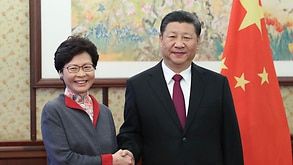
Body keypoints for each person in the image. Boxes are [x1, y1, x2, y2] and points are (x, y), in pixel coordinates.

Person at [117, 10, 244, 165]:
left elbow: (231, 139)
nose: (179, 44)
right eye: (172, 37)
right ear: (161, 39)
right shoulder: (138, 86)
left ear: (197, 41)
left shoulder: (218, 84)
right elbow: (132, 133)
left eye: (186, 38)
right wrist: (129, 152)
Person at [41, 36, 134, 165]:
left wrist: (124, 155)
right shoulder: (53, 110)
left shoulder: (104, 112)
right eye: (73, 68)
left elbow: (113, 153)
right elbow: (62, 160)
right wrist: (110, 160)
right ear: (60, 72)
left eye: (87, 67)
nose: (81, 74)